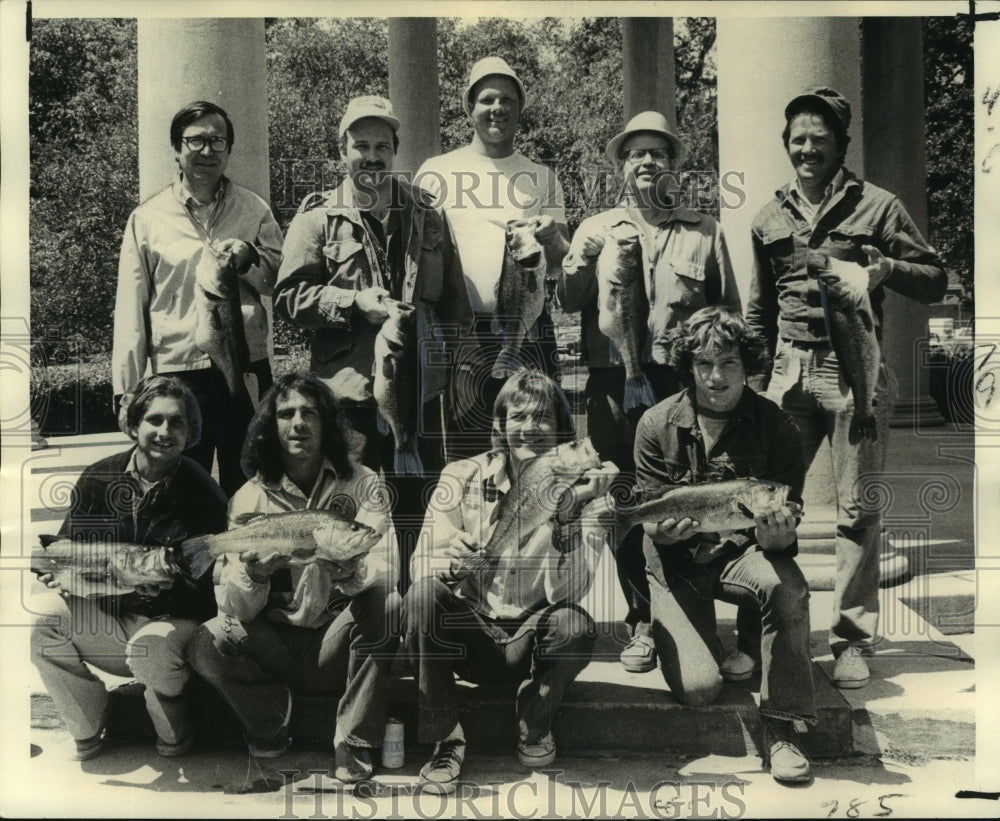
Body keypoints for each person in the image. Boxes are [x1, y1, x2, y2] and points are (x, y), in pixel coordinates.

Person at [746, 87, 948, 689]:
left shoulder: (880, 207)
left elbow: (935, 279)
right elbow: (758, 310)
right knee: (766, 500)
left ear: (840, 144)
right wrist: (756, 383)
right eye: (798, 139)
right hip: (787, 371)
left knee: (858, 507)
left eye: (820, 138)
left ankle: (852, 640)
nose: (808, 148)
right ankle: (764, 631)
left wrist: (888, 269)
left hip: (854, 370)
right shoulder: (768, 217)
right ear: (787, 145)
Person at [558, 110, 741, 676]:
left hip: (681, 383)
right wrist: (578, 257)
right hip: (614, 379)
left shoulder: (705, 231)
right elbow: (568, 298)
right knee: (627, 500)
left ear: (673, 166)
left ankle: (693, 613)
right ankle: (641, 621)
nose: (646, 161)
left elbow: (730, 310)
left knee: (693, 494)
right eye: (636, 153)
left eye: (657, 153)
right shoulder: (596, 227)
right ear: (621, 166)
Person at [274, 95, 475, 592]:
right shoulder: (316, 216)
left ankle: (416, 607)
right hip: (348, 395)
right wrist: (349, 302)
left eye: (382, 145)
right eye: (360, 145)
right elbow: (287, 298)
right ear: (341, 151)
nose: (372, 156)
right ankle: (352, 611)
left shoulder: (428, 214)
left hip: (420, 391)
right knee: (348, 510)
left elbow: (454, 303)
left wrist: (452, 367)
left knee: (422, 504)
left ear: (396, 150)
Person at [403, 370, 617, 794]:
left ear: (560, 429)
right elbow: (421, 565)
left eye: (544, 418)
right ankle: (446, 737)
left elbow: (568, 596)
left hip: (531, 638)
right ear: (499, 426)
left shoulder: (590, 494)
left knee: (575, 625)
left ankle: (534, 719)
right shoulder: (461, 475)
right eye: (518, 416)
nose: (531, 428)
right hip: (472, 633)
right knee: (423, 594)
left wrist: (567, 521)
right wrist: (454, 565)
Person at [634, 306, 815, 783]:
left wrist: (779, 534)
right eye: (703, 365)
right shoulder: (655, 424)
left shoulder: (778, 426)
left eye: (729, 364)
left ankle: (782, 729)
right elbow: (652, 515)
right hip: (677, 561)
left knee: (789, 589)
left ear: (748, 366)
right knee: (700, 688)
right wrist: (658, 530)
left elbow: (785, 526)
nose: (715, 377)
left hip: (744, 556)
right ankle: (672, 628)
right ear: (688, 367)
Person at [188, 373, 398, 782]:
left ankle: (353, 740)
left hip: (333, 645)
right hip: (274, 645)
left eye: (310, 413)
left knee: (389, 604)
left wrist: (353, 572)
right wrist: (252, 573)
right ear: (272, 426)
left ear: (327, 423)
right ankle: (269, 722)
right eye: (286, 414)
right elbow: (231, 609)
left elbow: (386, 568)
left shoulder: (365, 482)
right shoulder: (249, 497)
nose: (298, 423)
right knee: (206, 640)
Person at [30, 375, 227, 760]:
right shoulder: (98, 477)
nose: (165, 431)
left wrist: (165, 589)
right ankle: (91, 719)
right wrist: (59, 575)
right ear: (134, 424)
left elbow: (211, 585)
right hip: (110, 617)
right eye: (154, 420)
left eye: (177, 422)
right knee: (43, 624)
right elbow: (63, 550)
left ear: (190, 432)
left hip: (172, 629)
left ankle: (175, 725)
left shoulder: (201, 490)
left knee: (148, 649)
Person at [113, 100, 283, 497]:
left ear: (229, 150)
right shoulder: (147, 219)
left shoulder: (254, 208)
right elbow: (131, 310)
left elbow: (278, 280)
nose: (208, 151)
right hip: (178, 375)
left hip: (246, 368)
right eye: (196, 141)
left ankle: (248, 560)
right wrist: (126, 390)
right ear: (177, 149)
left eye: (218, 142)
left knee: (253, 485)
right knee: (183, 490)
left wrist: (247, 261)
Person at [417, 57, 570, 458]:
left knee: (535, 443)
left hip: (529, 328)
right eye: (486, 99)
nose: (497, 108)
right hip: (461, 333)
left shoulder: (542, 177)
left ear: (520, 109)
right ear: (468, 108)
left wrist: (553, 237)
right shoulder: (436, 172)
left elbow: (559, 264)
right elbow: (416, 258)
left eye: (507, 99)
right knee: (467, 449)